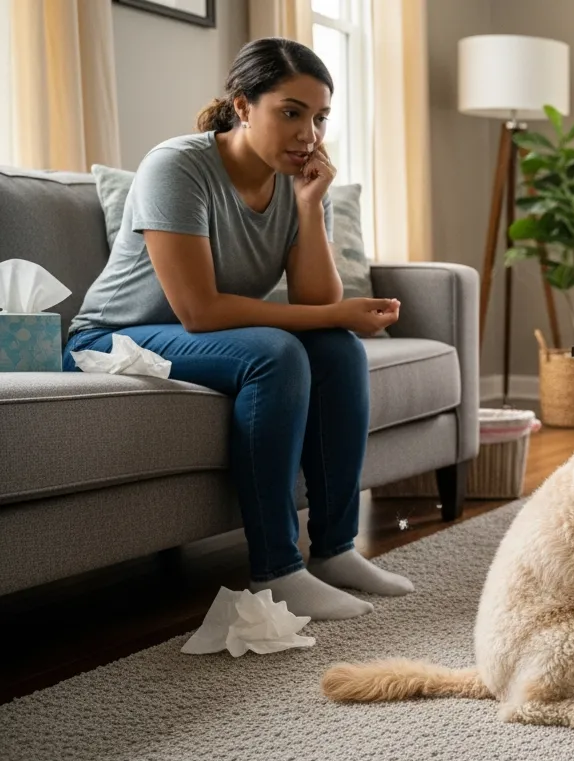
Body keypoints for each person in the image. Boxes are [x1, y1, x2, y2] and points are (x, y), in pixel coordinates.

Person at [64, 38, 410, 621]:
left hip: (190, 336)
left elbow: (316, 300)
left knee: (339, 350)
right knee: (276, 353)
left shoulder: (299, 178)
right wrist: (333, 314)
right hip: (113, 338)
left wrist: (307, 206)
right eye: (291, 112)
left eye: (320, 117)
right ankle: (276, 569)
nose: (309, 134)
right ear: (243, 106)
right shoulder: (178, 167)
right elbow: (198, 310)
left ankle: (335, 549)